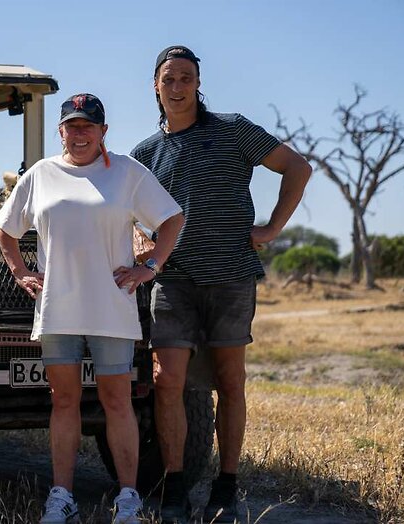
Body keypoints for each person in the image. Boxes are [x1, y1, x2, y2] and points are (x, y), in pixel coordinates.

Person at [131, 46, 312, 523]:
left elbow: (298, 167)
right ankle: (174, 488)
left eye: (186, 78)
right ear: (156, 85)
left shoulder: (231, 130)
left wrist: (272, 228)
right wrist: (138, 239)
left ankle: (225, 488)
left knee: (230, 382)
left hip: (230, 277)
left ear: (198, 83)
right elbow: (133, 215)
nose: (177, 86)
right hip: (172, 281)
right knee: (166, 382)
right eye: (168, 79)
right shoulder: (145, 154)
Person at [0, 93, 185, 524]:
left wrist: (149, 266)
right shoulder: (41, 174)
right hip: (58, 309)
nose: (79, 134)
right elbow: (5, 229)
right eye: (72, 126)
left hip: (111, 310)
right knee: (63, 401)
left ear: (103, 132)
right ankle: (61, 497)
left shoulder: (129, 173)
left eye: (88, 126)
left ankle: (129, 499)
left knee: (117, 402)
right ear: (60, 130)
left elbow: (172, 219)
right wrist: (21, 271)